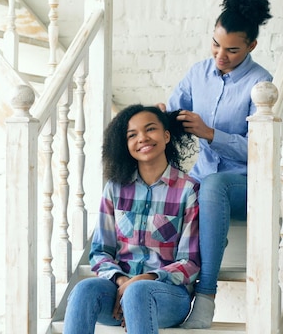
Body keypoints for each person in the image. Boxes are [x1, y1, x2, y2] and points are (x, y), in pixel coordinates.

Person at [157, 0, 273, 329]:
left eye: (232, 50)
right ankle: (161, 289)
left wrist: (210, 133)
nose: (220, 56)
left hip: (245, 185)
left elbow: (260, 149)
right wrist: (161, 116)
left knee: (212, 187)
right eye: (215, 44)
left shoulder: (261, 83)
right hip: (205, 181)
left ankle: (205, 296)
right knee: (176, 191)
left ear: (251, 46)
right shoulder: (197, 74)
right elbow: (175, 112)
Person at [62, 105, 200, 333]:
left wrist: (143, 280)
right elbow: (100, 252)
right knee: (84, 289)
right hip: (118, 292)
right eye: (132, 135)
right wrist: (121, 281)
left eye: (150, 129)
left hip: (168, 295)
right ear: (125, 145)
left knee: (138, 293)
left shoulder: (188, 189)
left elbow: (190, 262)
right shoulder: (114, 189)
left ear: (166, 135)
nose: (142, 138)